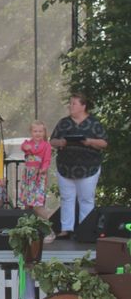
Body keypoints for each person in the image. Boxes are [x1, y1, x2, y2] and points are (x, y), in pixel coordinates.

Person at [49, 93, 107, 239]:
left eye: (74, 103)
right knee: (66, 198)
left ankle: (85, 230)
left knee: (86, 199)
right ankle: (66, 229)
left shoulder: (94, 123)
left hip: (88, 167)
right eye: (70, 103)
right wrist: (61, 142)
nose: (71, 106)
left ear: (83, 106)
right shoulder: (63, 122)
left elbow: (104, 143)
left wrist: (90, 141)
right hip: (65, 167)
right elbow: (52, 141)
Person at [19, 121, 53, 232]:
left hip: (38, 177)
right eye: (35, 131)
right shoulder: (26, 143)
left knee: (38, 204)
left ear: (44, 132)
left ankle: (49, 228)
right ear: (31, 132)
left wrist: (43, 168)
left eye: (40, 131)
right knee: (27, 203)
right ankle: (28, 229)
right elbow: (24, 147)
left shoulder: (46, 145)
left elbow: (47, 160)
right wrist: (29, 147)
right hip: (28, 177)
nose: (38, 133)